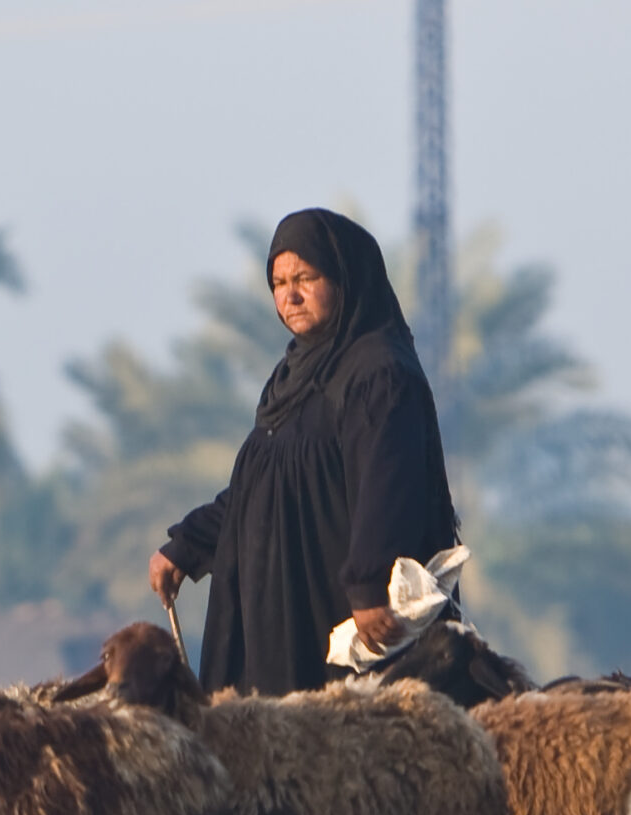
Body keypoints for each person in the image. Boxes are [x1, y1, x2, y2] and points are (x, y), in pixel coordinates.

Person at [149, 208, 460, 695]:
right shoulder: (295, 376)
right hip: (276, 618)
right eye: (278, 282)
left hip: (334, 620)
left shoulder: (378, 373)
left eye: (305, 278)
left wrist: (368, 585)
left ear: (344, 279)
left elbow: (389, 487)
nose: (289, 295)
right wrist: (186, 546)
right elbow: (261, 487)